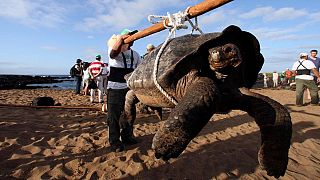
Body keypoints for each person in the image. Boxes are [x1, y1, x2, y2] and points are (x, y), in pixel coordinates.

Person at [107, 29, 142, 152]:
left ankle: (127, 136)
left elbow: (139, 70)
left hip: (129, 89)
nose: (131, 38)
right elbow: (113, 55)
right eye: (129, 36)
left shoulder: (136, 55)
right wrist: (120, 39)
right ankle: (115, 141)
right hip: (115, 89)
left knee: (129, 115)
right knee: (114, 117)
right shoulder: (114, 49)